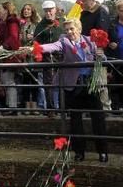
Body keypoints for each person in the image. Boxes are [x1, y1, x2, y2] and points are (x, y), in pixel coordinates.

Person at [36, 18, 108, 163]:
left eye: (72, 29)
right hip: (73, 86)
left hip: (90, 85)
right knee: (75, 121)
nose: (69, 32)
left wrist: (101, 55)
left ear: (79, 29)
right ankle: (79, 152)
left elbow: (103, 59)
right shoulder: (64, 42)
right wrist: (36, 48)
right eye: (67, 30)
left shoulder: (90, 40)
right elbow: (52, 46)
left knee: (98, 118)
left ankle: (103, 152)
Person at [34, 0, 65, 112]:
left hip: (62, 57)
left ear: (55, 10)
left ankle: (64, 108)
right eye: (46, 11)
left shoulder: (62, 23)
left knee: (62, 83)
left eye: (50, 10)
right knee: (49, 84)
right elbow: (36, 42)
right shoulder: (40, 25)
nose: (48, 13)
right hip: (47, 57)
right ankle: (51, 110)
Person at [0, 1, 21, 113]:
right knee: (6, 80)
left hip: (10, 55)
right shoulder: (6, 22)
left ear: (6, 10)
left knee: (9, 81)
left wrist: (3, 46)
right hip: (5, 55)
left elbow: (13, 37)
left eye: (0, 9)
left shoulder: (12, 22)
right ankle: (9, 106)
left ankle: (12, 107)